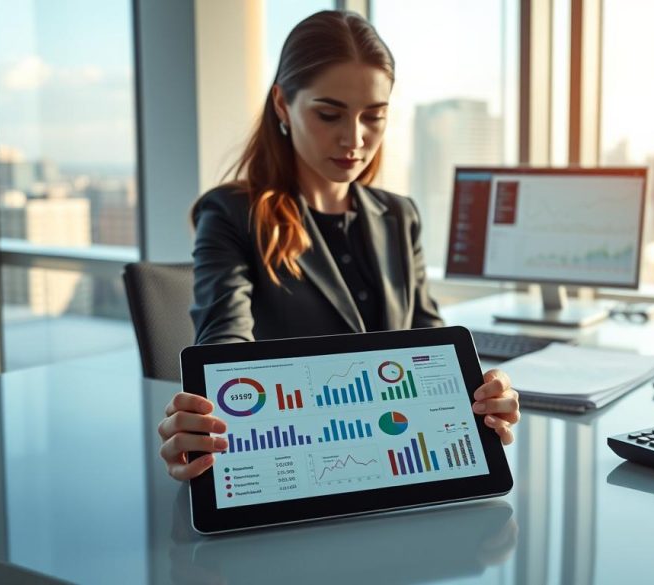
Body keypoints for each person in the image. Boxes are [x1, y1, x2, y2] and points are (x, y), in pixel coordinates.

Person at [157, 10, 520, 481]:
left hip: (398, 465)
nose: (355, 138)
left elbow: (431, 346)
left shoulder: (398, 215)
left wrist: (480, 393)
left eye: (374, 116)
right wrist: (201, 417)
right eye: (329, 114)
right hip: (302, 470)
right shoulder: (231, 214)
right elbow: (225, 347)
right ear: (283, 105)